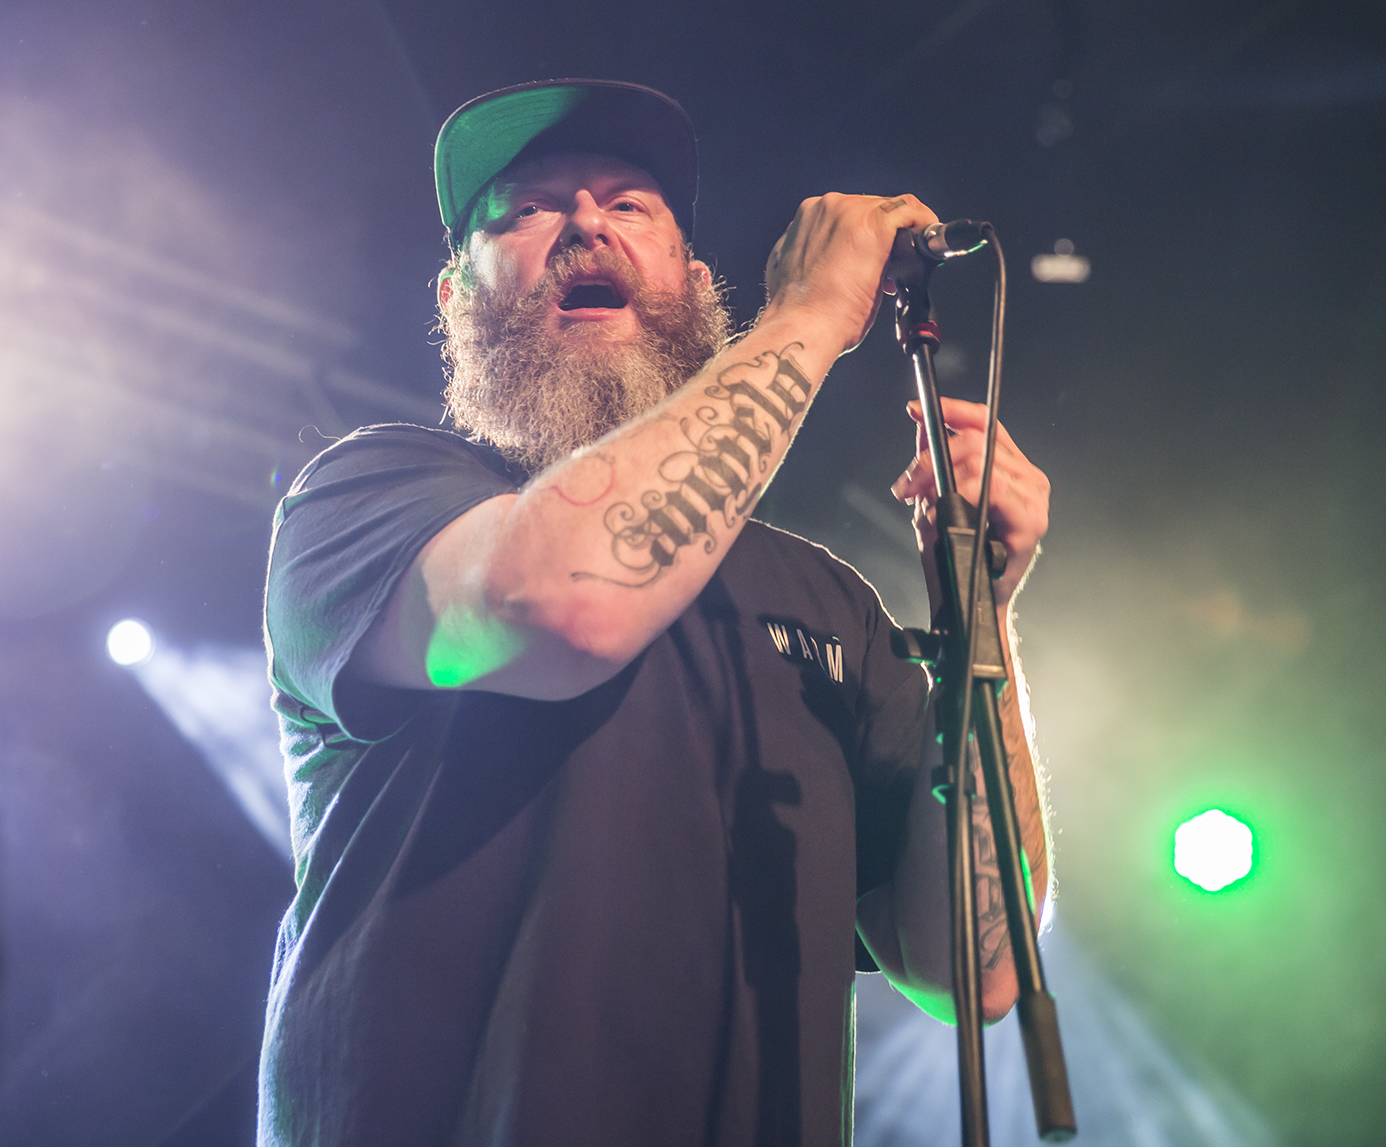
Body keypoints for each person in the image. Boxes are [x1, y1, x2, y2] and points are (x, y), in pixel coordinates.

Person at [257, 80, 1052, 1147]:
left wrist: (983, 619)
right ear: (453, 297)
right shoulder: (371, 496)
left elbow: (981, 968)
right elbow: (567, 605)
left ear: (693, 282)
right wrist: (810, 315)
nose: (587, 223)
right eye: (530, 207)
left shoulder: (828, 603)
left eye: (630, 204)